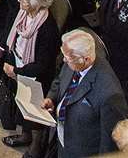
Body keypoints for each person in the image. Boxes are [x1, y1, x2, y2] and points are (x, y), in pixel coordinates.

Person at [0, 0, 61, 150]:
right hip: (17, 62)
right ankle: (24, 136)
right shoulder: (23, 12)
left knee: (34, 117)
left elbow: (42, 65)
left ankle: (35, 149)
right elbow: (15, 36)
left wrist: (16, 71)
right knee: (21, 106)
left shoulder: (47, 29)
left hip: (34, 76)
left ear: (37, 2)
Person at [44, 30, 128, 158]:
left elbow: (109, 144)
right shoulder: (73, 58)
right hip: (62, 141)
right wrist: (51, 98)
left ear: (86, 59)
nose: (65, 61)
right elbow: (60, 80)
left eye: (68, 58)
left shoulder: (110, 94)